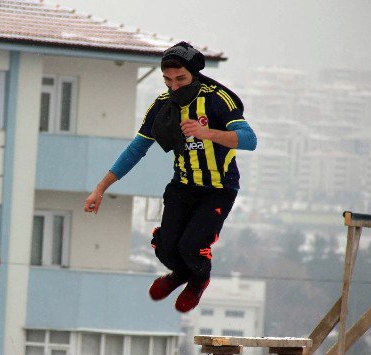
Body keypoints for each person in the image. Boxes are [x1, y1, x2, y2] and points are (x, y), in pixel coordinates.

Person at [84, 42, 257, 313]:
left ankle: (198, 279)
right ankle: (181, 273)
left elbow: (250, 140)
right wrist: (100, 189)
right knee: (165, 248)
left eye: (181, 79)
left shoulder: (217, 99)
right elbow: (136, 149)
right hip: (182, 186)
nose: (174, 86)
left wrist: (207, 133)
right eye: (167, 80)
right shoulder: (163, 106)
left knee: (191, 246)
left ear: (194, 74)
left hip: (218, 188)